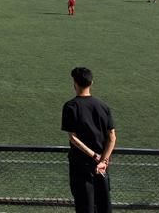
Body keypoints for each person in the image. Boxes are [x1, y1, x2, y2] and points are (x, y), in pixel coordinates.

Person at [61, 67, 116, 213]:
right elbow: (112, 137)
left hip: (81, 166)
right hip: (102, 168)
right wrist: (103, 161)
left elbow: (73, 138)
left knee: (84, 206)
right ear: (91, 83)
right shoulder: (103, 106)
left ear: (75, 84)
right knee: (103, 205)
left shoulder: (71, 106)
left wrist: (93, 155)